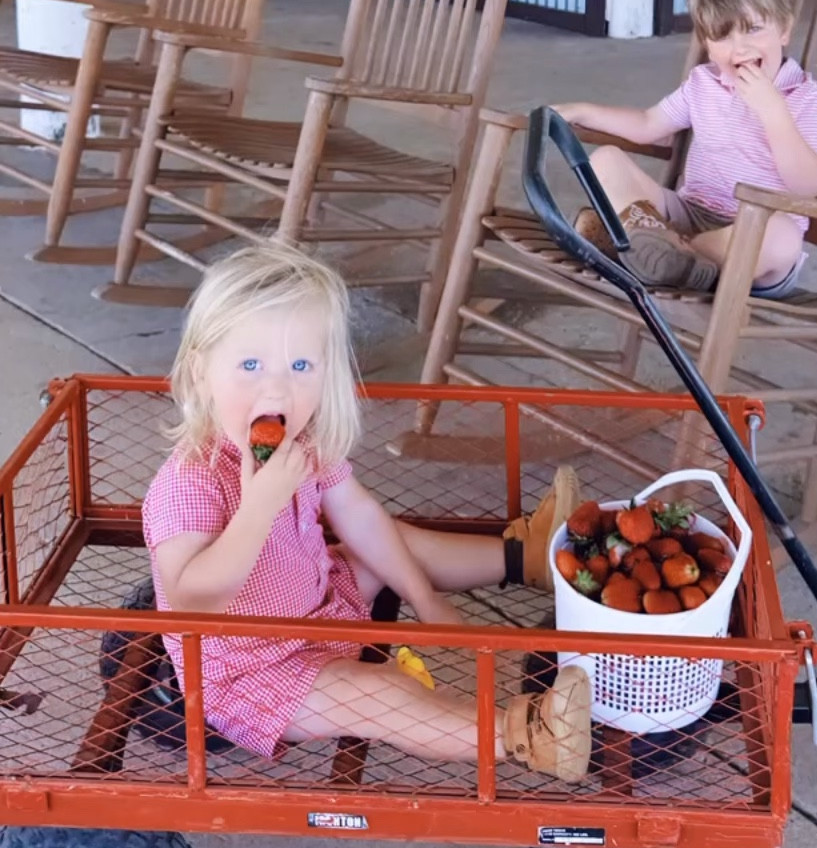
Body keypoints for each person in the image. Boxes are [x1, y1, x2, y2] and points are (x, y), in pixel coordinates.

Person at [141, 242, 590, 779]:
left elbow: (361, 519)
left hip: (319, 603)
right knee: (379, 693)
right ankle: (531, 735)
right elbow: (191, 600)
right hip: (252, 671)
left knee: (388, 538)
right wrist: (260, 504)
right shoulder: (189, 481)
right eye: (250, 364)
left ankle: (529, 558)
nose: (277, 386)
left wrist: (425, 601)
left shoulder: (300, 446)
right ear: (199, 374)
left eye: (301, 364)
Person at [557, 0, 817, 298]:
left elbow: (808, 184)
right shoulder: (704, 84)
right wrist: (584, 111)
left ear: (784, 29)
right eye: (722, 35)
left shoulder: (812, 97)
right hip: (687, 213)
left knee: (782, 238)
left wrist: (774, 112)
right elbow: (649, 124)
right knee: (605, 161)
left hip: (750, 243)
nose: (740, 47)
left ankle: (655, 248)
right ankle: (662, 251)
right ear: (706, 42)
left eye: (753, 29)